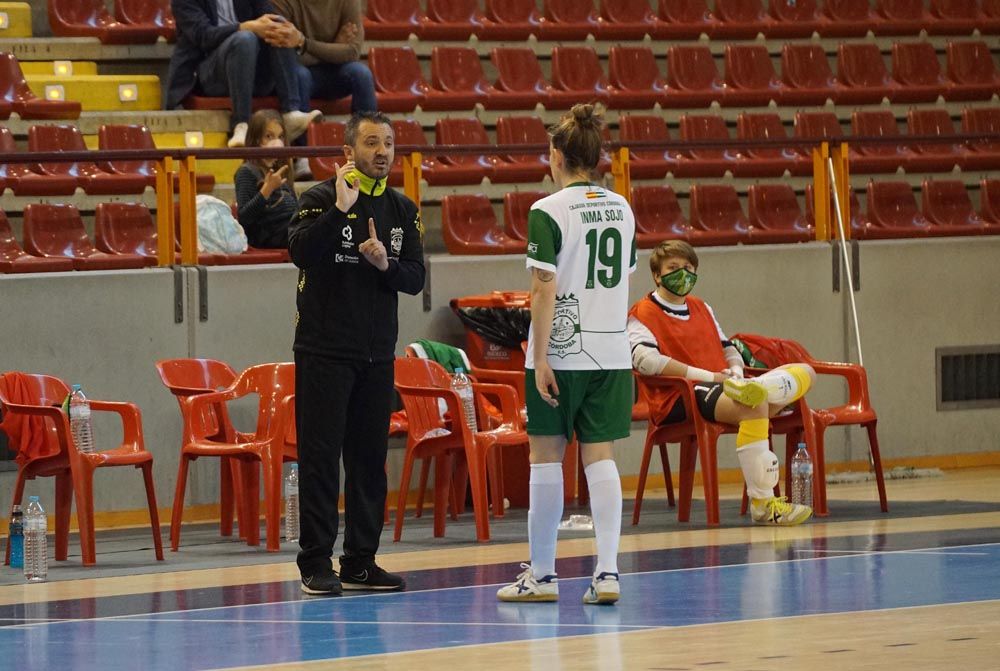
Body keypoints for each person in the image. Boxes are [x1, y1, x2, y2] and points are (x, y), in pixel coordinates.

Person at [497, 104, 636, 606]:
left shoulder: (547, 210)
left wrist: (542, 356)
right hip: (612, 351)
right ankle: (607, 573)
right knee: (601, 458)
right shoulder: (623, 207)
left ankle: (542, 575)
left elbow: (543, 290)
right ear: (597, 157)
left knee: (546, 458)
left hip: (562, 351)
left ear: (555, 155)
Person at [288, 111, 425, 596]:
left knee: (369, 461)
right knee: (321, 458)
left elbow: (415, 278)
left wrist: (386, 265)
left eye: (388, 143)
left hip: (376, 355)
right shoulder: (320, 198)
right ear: (348, 152)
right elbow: (300, 251)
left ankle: (361, 560)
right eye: (371, 143)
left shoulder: (403, 209)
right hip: (324, 351)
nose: (382, 151)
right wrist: (339, 212)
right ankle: (315, 563)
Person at [627, 240, 816, 526]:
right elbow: (647, 362)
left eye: (688, 268)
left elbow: (728, 348)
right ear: (657, 275)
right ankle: (764, 506)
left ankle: (757, 390)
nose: (682, 274)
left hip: (723, 387)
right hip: (679, 397)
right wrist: (713, 377)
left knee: (805, 371)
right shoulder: (641, 313)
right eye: (673, 268)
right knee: (755, 404)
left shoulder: (702, 307)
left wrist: (737, 373)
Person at [167, 0, 323, 148]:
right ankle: (241, 123)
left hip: (249, 69)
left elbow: (269, 16)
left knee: (279, 26)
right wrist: (244, 27)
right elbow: (203, 36)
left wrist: (277, 27)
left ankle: (290, 111)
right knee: (244, 38)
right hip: (209, 73)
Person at [266, 0, 377, 178]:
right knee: (299, 75)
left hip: (334, 73)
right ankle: (302, 155)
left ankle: (369, 148)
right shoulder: (283, 2)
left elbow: (352, 52)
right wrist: (334, 47)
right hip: (302, 75)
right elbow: (284, 58)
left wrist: (303, 43)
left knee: (362, 74)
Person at [233, 110, 297, 249]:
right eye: (269, 136)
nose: (277, 142)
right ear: (256, 139)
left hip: (291, 229)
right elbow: (244, 218)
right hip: (268, 235)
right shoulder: (246, 171)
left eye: (280, 137)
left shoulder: (281, 170)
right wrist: (267, 190)